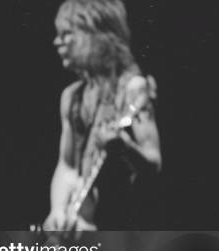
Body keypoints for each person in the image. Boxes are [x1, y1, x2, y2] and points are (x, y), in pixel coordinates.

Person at [44, 0, 162, 232]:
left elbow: (154, 163)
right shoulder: (72, 97)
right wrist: (57, 210)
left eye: (67, 34)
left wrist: (126, 147)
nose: (56, 42)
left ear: (96, 36)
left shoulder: (134, 89)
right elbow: (67, 166)